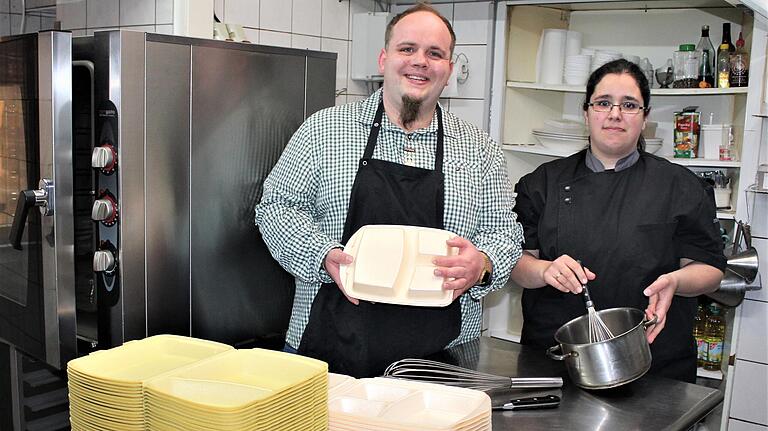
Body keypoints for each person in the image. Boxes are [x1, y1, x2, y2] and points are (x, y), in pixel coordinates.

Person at [254, 3, 523, 378]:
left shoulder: (477, 147)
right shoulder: (325, 130)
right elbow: (277, 208)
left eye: (435, 54)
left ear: (448, 70)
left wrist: (483, 263)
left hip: (442, 357)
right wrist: (323, 255)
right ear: (384, 59)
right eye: (407, 49)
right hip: (326, 349)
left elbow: (504, 231)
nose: (420, 62)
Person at [510, 59, 726, 383]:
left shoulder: (680, 186)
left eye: (629, 105)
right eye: (603, 103)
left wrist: (677, 281)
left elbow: (711, 269)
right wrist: (543, 270)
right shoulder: (541, 184)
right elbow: (515, 264)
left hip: (654, 363)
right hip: (556, 362)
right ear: (586, 113)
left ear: (645, 117)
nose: (615, 114)